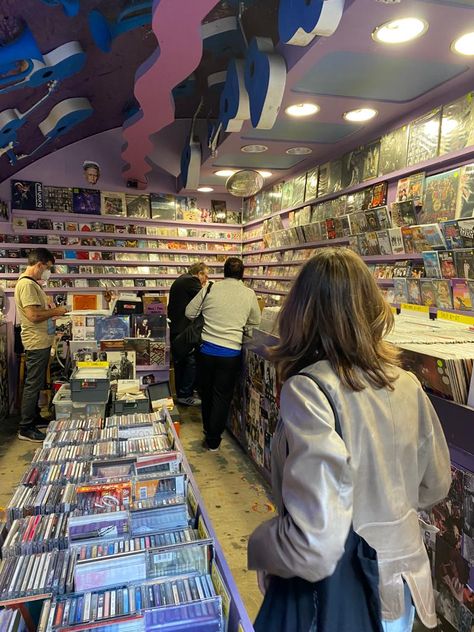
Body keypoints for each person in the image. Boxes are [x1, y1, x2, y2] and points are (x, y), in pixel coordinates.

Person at [247, 248, 451, 631]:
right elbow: (437, 482)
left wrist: (264, 550)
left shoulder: (308, 389)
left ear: (300, 313)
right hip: (403, 584)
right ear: (371, 308)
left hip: (340, 593)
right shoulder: (407, 383)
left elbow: (317, 534)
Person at [186, 257, 261, 451]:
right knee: (222, 395)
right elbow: (255, 321)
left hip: (206, 350)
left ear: (224, 272)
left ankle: (207, 430)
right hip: (230, 352)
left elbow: (189, 312)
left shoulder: (211, 288)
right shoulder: (249, 293)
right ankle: (214, 440)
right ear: (242, 273)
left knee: (207, 392)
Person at [14, 249, 68, 442]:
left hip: (41, 340)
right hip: (35, 342)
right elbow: (33, 316)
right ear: (39, 264)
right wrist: (57, 311)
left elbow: (37, 311)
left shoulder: (32, 284)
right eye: (48, 268)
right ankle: (25, 427)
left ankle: (34, 416)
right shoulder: (27, 285)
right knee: (33, 383)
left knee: (35, 382)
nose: (48, 272)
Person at [168, 262, 209, 406]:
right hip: (184, 330)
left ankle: (182, 394)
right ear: (199, 274)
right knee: (190, 361)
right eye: (205, 275)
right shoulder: (191, 281)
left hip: (176, 328)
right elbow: (206, 298)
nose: (206, 279)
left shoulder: (182, 279)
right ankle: (186, 394)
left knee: (181, 362)